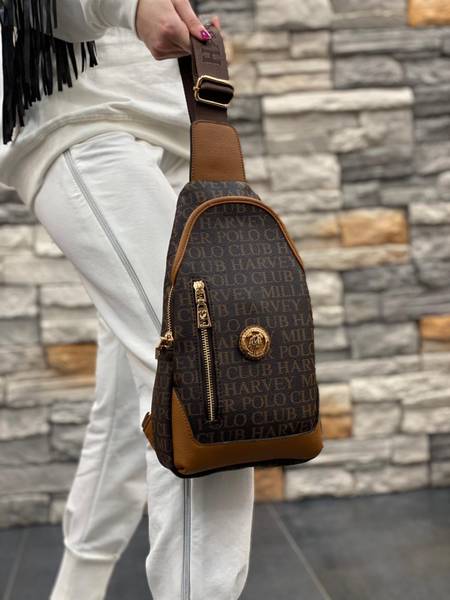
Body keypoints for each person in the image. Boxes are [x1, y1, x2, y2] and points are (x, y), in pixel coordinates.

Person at [0, 1, 255, 599]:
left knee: (133, 404)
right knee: (204, 377)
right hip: (81, 117)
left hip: (168, 117)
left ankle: (76, 590)